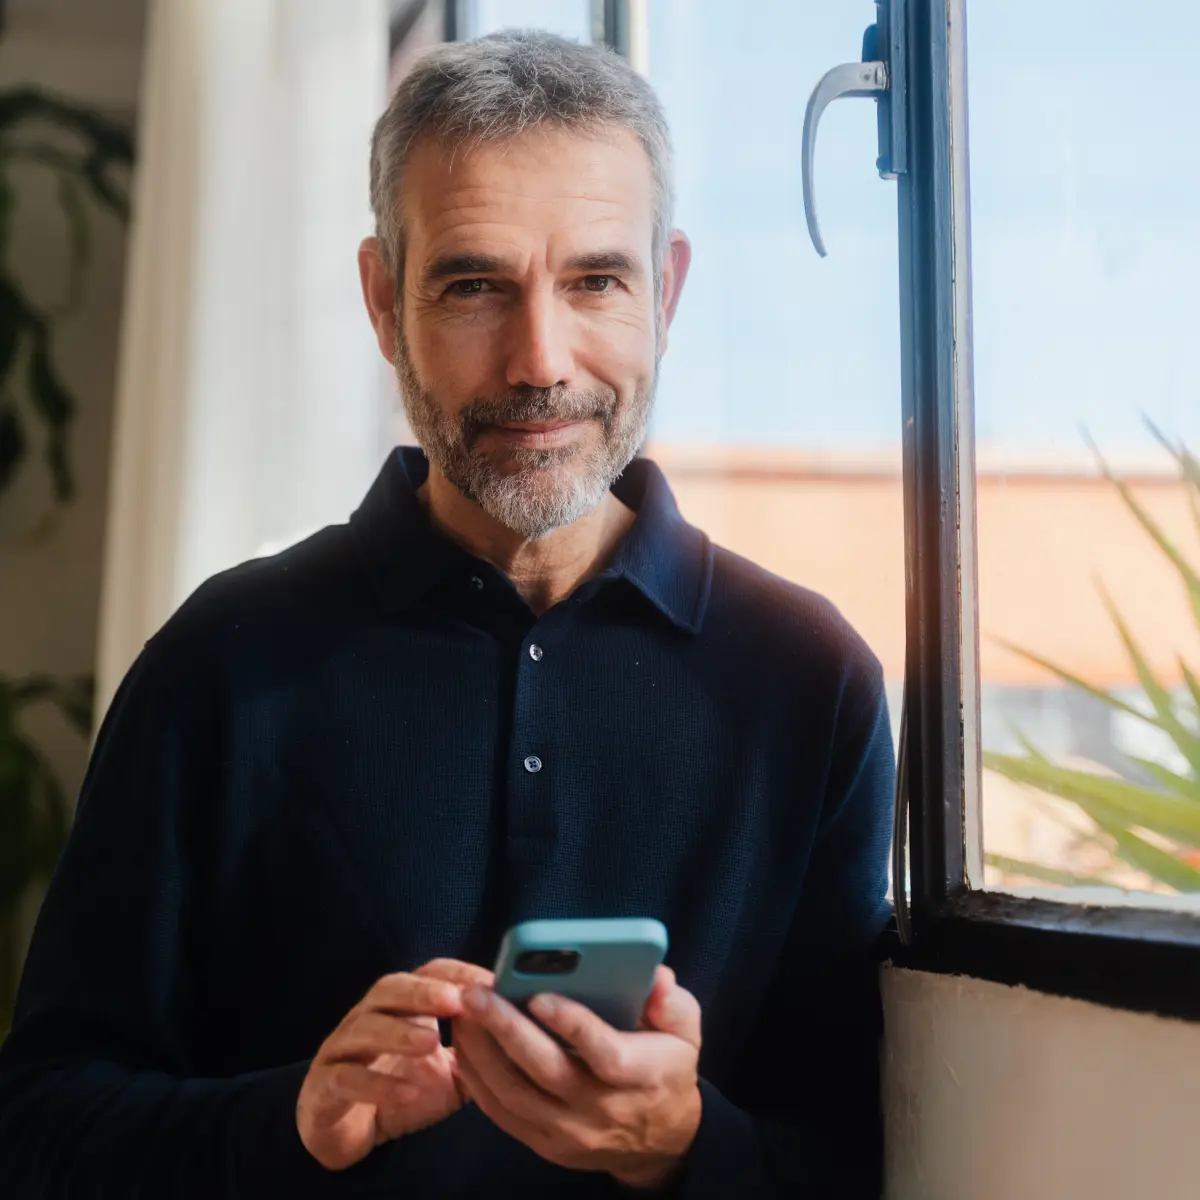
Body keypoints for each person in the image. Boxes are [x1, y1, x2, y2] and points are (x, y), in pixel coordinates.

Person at [0, 30, 894, 1198]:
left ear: (665, 293)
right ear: (383, 301)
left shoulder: (810, 681)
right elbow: (41, 1125)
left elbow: (845, 1163)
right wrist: (298, 1122)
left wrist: (682, 1147)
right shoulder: (220, 661)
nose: (539, 359)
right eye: (474, 284)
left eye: (596, 282)